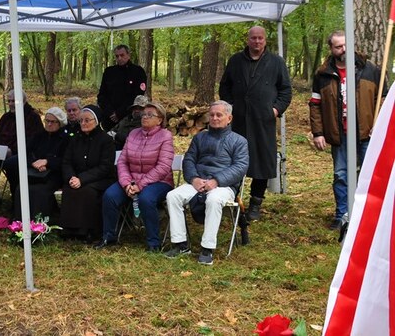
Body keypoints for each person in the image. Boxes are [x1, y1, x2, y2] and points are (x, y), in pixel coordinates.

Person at [309, 30, 385, 230]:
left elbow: (384, 100)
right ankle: (342, 214)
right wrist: (318, 133)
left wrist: (379, 124)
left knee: (368, 174)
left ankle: (368, 216)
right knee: (341, 174)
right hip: (339, 133)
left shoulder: (371, 69)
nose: (343, 49)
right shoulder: (323, 74)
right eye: (338, 46)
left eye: (346, 45)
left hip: (367, 132)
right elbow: (315, 104)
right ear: (331, 49)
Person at [219, 26, 291, 221]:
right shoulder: (235, 61)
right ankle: (232, 198)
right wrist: (229, 108)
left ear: (265, 40)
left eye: (260, 38)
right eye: (253, 38)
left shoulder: (276, 62)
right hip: (238, 121)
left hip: (263, 121)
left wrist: (275, 110)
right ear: (248, 40)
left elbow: (285, 90)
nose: (257, 42)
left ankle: (255, 203)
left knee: (262, 160)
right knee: (234, 160)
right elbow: (224, 87)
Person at [165, 101, 249, 265]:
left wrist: (216, 181)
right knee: (173, 196)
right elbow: (189, 159)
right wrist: (194, 179)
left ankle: (207, 248)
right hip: (198, 181)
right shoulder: (199, 137)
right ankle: (180, 243)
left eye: (219, 115)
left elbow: (240, 167)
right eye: (212, 115)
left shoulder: (239, 141)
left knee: (213, 199)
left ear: (229, 118)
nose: (215, 118)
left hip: (224, 186)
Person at [97, 101, 173, 251]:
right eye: (143, 114)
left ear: (160, 119)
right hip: (131, 181)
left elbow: (163, 167)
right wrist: (126, 183)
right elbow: (123, 161)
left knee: (146, 198)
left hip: (159, 181)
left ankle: (154, 242)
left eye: (150, 115)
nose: (144, 117)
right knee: (110, 195)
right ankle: (109, 237)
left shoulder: (165, 136)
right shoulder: (133, 134)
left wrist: (140, 184)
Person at [60, 105, 116, 239]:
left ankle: (87, 231)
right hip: (77, 178)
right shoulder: (75, 139)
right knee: (69, 189)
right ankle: (69, 230)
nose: (83, 123)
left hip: (101, 179)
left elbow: (105, 167)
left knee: (87, 191)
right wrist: (71, 177)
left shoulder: (106, 140)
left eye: (87, 120)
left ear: (96, 122)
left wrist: (82, 179)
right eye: (81, 121)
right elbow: (66, 162)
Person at [3, 106, 69, 220]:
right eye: (47, 121)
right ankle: (20, 221)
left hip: (54, 173)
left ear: (60, 123)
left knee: (40, 191)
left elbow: (66, 160)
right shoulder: (39, 135)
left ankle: (39, 223)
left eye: (53, 122)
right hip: (34, 172)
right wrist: (34, 163)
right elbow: (25, 153)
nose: (49, 124)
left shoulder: (65, 138)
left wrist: (47, 162)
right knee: (21, 188)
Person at [97, 44, 148, 131]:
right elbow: (102, 95)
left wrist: (120, 113)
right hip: (109, 117)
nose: (119, 58)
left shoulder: (138, 71)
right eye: (117, 56)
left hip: (129, 117)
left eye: (122, 55)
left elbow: (137, 96)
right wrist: (110, 112)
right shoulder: (109, 72)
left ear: (128, 55)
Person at [0, 90, 44, 157]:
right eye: (9, 101)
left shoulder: (33, 117)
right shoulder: (5, 117)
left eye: (14, 101)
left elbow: (32, 140)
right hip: (0, 152)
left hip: (21, 155)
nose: (10, 104)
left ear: (23, 101)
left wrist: (12, 150)